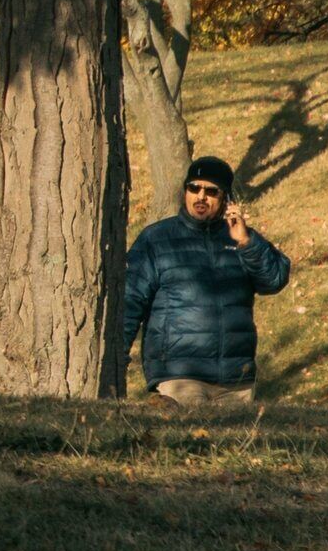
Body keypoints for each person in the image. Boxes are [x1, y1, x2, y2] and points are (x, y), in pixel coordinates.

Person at [119, 155, 292, 406]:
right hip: (179, 375)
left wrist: (246, 243)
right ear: (185, 191)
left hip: (235, 380)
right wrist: (117, 357)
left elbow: (274, 280)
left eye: (211, 191)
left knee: (233, 445)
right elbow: (129, 301)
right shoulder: (156, 239)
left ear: (225, 199)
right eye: (194, 188)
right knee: (187, 442)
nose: (201, 197)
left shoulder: (241, 239)